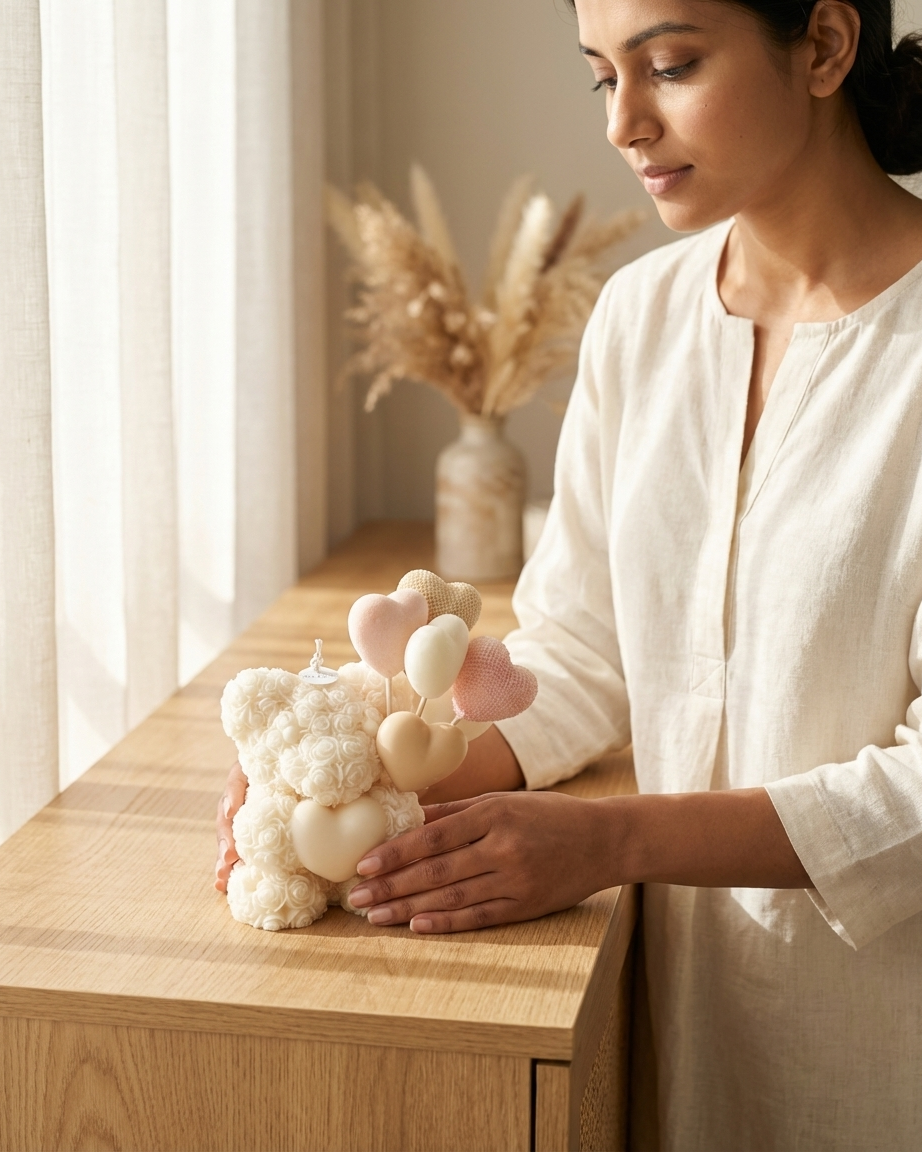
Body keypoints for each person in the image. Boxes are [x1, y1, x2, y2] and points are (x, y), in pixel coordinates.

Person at [217, 0, 922, 1145]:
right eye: (603, 78)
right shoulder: (641, 320)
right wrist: (358, 789)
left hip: (885, 1049)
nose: (624, 124)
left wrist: (615, 840)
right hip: (678, 1013)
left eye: (671, 66)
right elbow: (583, 649)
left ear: (825, 47)